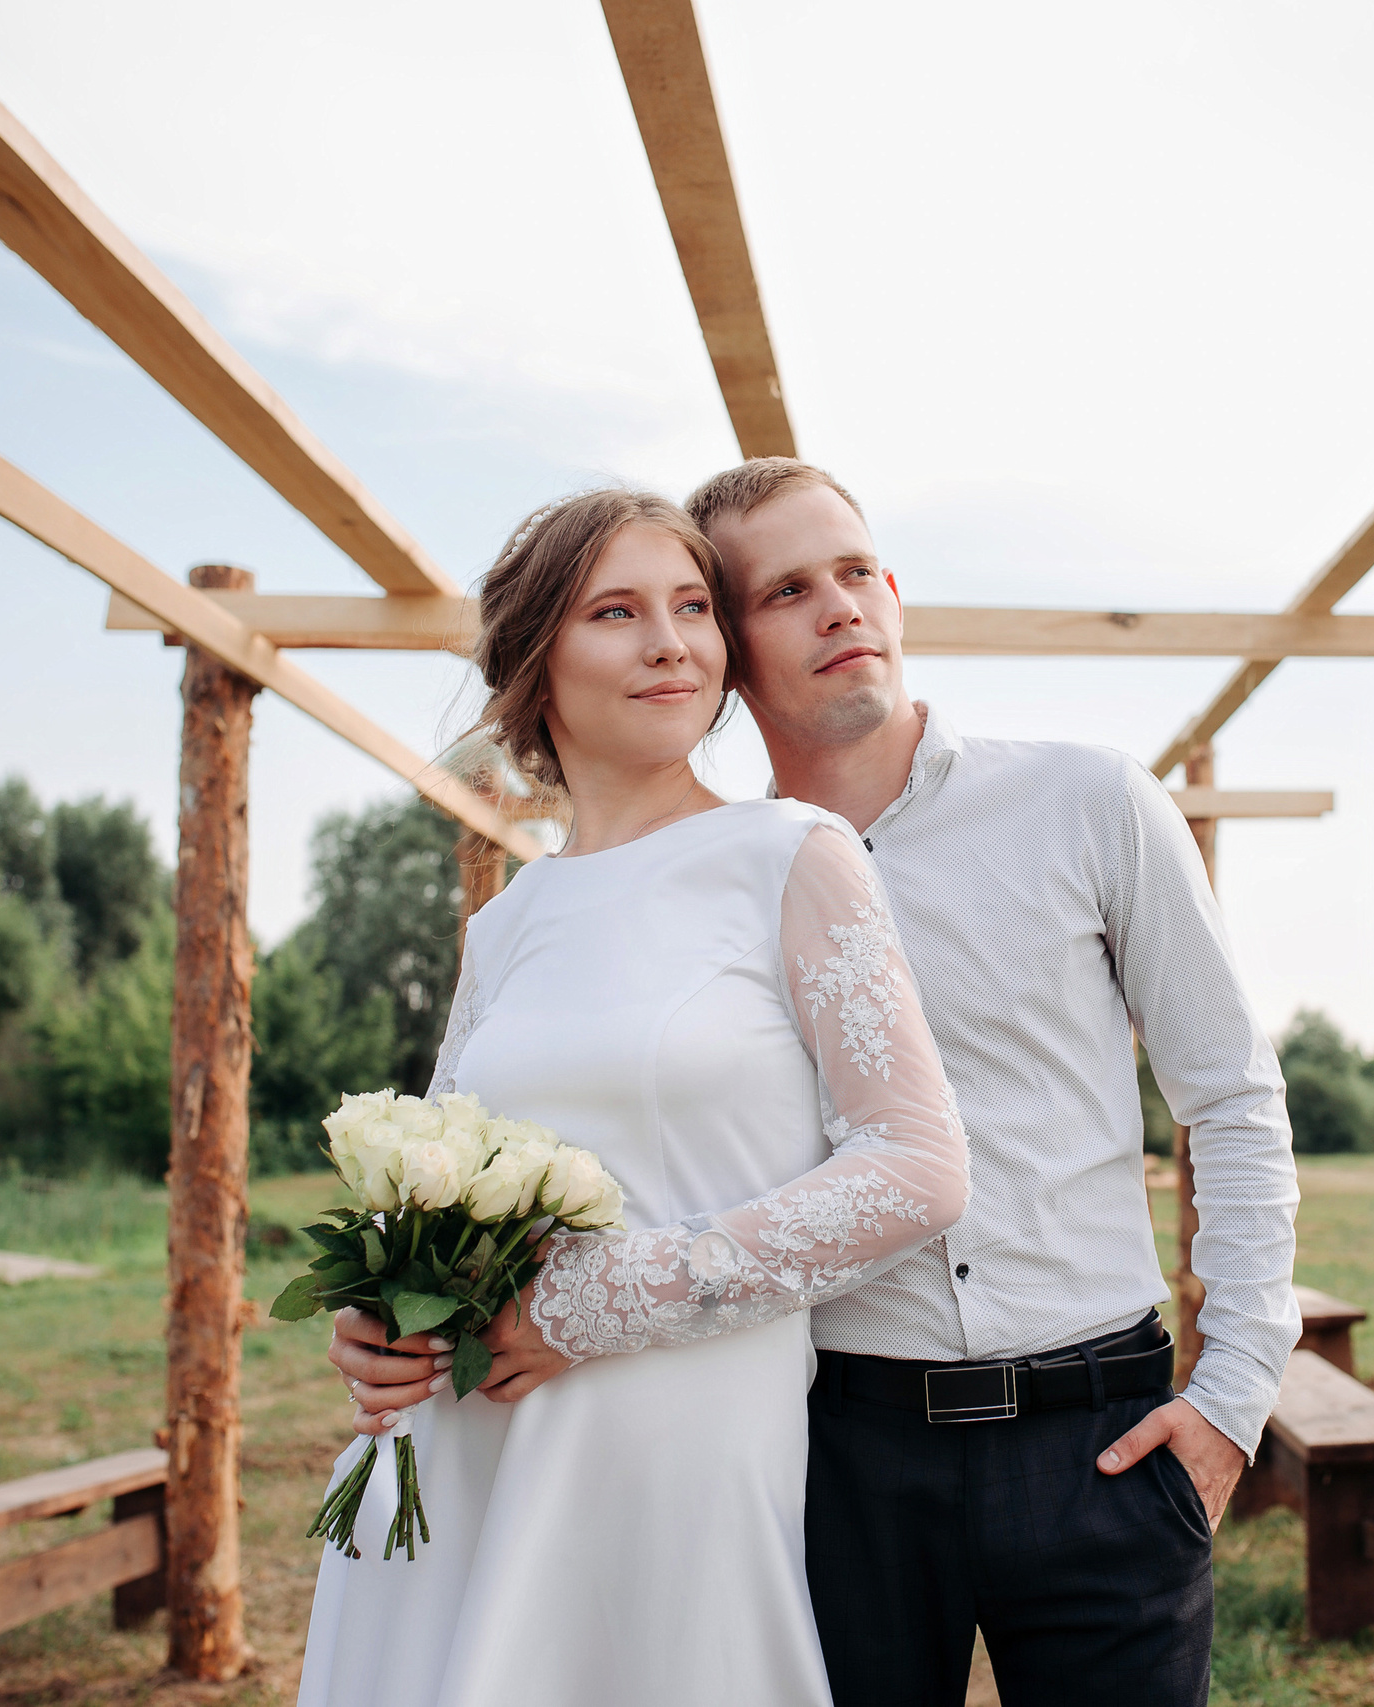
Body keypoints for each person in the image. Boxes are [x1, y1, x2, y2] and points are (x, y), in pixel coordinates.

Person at [337, 461, 1301, 1707]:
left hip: (1093, 1434)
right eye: (787, 590)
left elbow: (1227, 1097)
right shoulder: (699, 880)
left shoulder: (1090, 803)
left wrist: (1231, 1399)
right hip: (833, 1451)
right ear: (735, 651)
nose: (842, 607)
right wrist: (395, 1303)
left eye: (856, 572)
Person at [296, 487, 968, 1707]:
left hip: (683, 1443)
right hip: (473, 1437)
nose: (671, 642)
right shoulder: (505, 926)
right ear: (534, 659)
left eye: (694, 608)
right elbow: (441, 1172)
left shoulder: (791, 856)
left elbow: (917, 1168)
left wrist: (599, 1305)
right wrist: (383, 1318)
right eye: (617, 610)